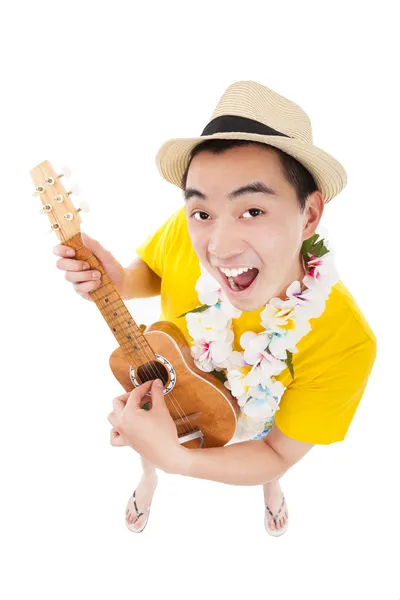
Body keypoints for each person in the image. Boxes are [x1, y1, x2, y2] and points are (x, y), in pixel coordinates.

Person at [53, 81, 377, 537]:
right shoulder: (188, 231)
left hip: (263, 425)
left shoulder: (346, 343)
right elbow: (156, 267)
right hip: (180, 387)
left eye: (253, 211)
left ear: (309, 215)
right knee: (149, 422)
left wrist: (181, 460)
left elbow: (280, 450)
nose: (219, 248)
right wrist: (119, 282)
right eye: (202, 212)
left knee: (267, 461)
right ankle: (148, 477)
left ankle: (269, 489)